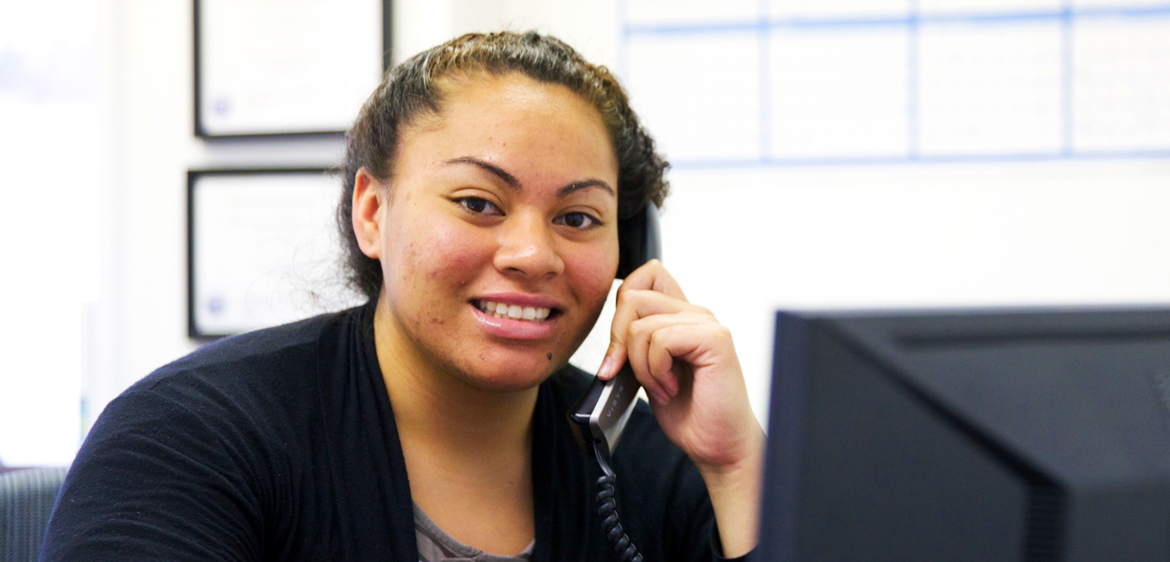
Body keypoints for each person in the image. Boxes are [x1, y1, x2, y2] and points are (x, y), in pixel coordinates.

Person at [41, 31, 764, 562]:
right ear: (372, 214)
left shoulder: (647, 468)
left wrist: (738, 468)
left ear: (629, 252)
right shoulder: (191, 437)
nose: (532, 255)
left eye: (577, 218)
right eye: (479, 202)